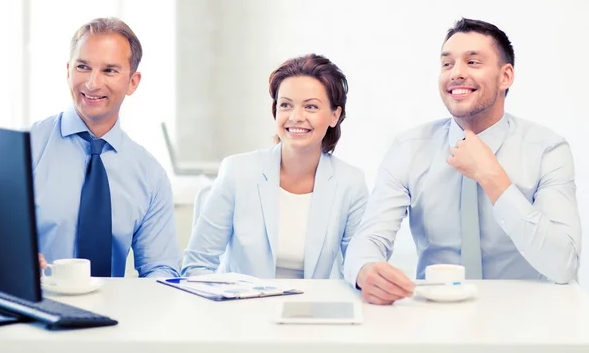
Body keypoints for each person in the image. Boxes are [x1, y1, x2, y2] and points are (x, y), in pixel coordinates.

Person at [344, 18, 581, 304]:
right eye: (447, 64)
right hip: (436, 317)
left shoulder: (547, 150)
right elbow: (368, 239)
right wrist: (365, 270)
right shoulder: (409, 148)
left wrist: (492, 177)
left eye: (473, 62)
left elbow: (563, 264)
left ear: (505, 76)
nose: (456, 73)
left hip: (527, 315)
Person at [182, 54, 368, 279]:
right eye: (286, 105)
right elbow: (197, 264)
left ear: (334, 116)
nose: (296, 117)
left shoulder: (351, 183)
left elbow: (360, 264)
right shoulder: (237, 171)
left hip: (313, 309)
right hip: (241, 307)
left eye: (310, 107)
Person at [32, 17, 179, 278]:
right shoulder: (25, 150)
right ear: (68, 71)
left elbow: (160, 270)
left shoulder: (149, 174)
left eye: (109, 70)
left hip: (113, 316)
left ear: (133, 82)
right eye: (83, 67)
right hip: (30, 311)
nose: (92, 83)